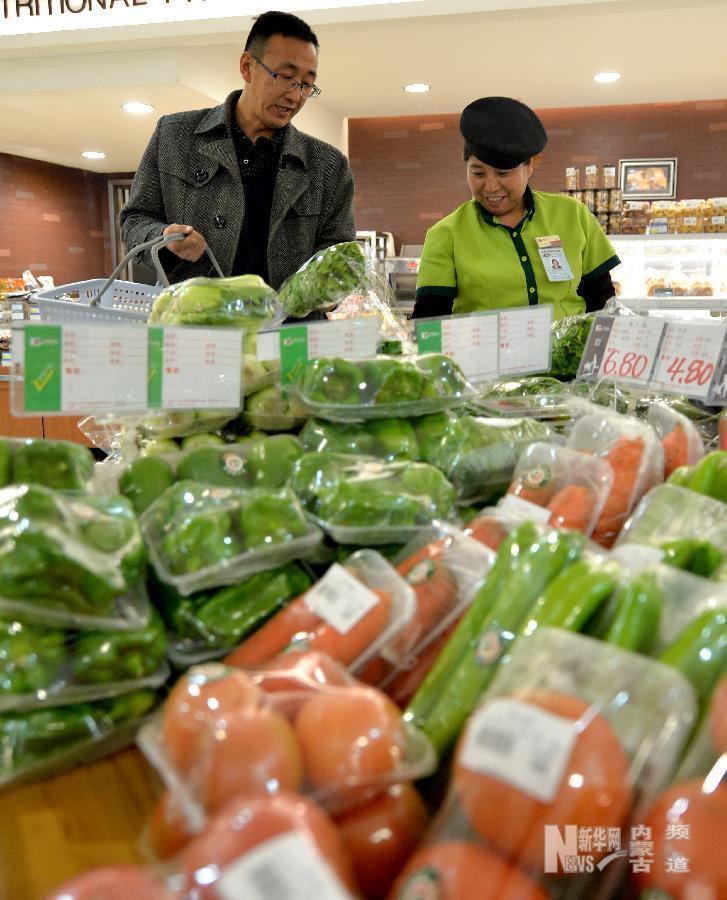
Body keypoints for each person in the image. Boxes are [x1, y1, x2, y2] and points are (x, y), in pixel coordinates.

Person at [120, 11, 355, 292]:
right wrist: (163, 236)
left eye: (306, 84)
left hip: (290, 331)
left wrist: (328, 287)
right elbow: (134, 221)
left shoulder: (328, 166)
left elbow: (339, 253)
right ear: (247, 66)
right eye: (285, 77)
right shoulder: (175, 135)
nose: (294, 96)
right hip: (196, 323)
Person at [413, 96, 620, 320]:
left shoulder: (572, 214)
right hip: (483, 354)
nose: (491, 186)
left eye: (503, 173)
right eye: (478, 173)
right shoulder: (446, 234)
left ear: (529, 166)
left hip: (570, 354)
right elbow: (429, 321)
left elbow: (602, 300)